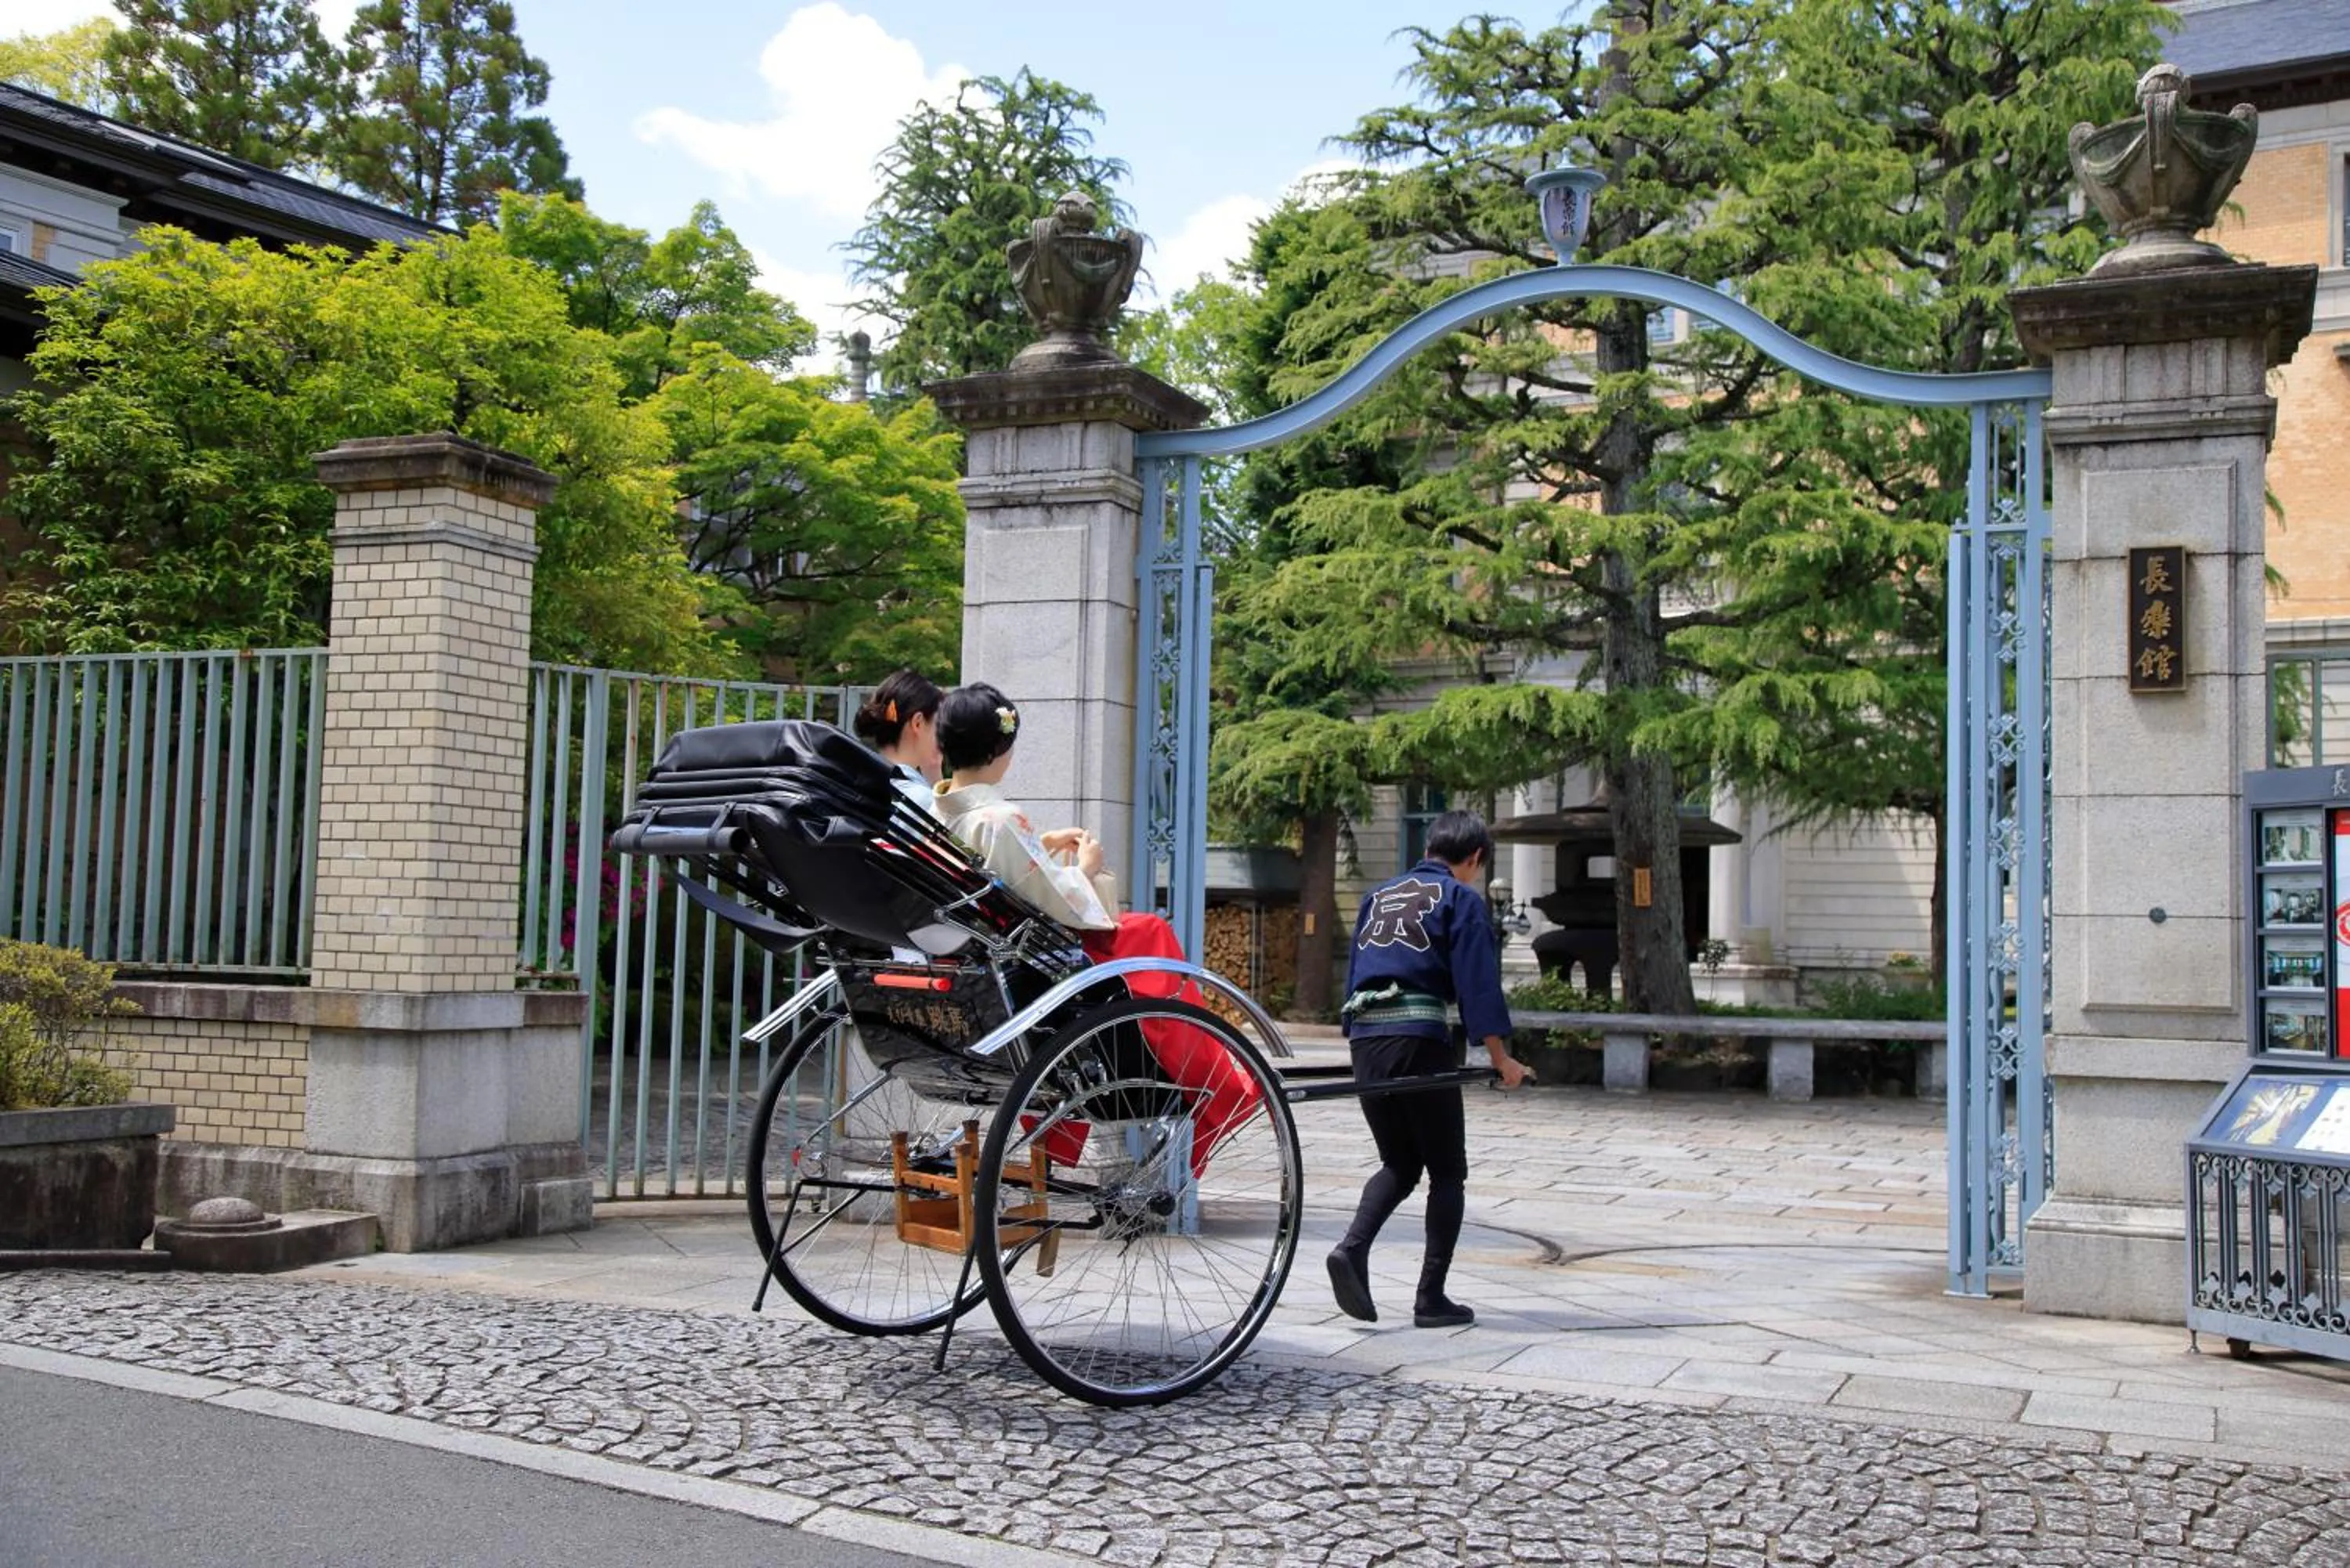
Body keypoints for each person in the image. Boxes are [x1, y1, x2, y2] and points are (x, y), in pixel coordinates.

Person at [931, 682, 1258, 1172]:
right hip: (1033, 966)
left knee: (1138, 930)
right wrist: (1084, 866)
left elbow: (997, 873)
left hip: (982, 960)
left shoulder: (936, 814)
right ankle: (1209, 1077)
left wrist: (1039, 843)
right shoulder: (1000, 818)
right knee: (1146, 929)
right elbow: (1059, 903)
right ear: (1002, 749)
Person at [1326, 809, 1534, 1330]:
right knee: (1447, 1172)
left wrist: (1359, 1043)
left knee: (1399, 1162)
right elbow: (1477, 982)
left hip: (1367, 1041)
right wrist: (1501, 1058)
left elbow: (1356, 975)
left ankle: (1351, 1249)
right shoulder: (1459, 898)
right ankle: (1430, 1297)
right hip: (1418, 1037)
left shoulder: (1379, 897)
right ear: (1475, 858)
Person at [851, 669, 945, 811]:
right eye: (937, 724)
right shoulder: (922, 800)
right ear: (918, 723)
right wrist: (938, 787)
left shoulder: (858, 786)